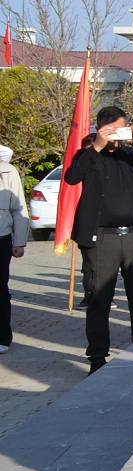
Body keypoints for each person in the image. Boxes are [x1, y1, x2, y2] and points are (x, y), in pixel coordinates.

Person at [64, 105, 133, 372]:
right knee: (99, 300)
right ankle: (98, 359)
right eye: (112, 130)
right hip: (101, 240)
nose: (116, 135)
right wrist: (97, 145)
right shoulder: (88, 156)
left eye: (121, 128)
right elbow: (71, 176)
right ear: (101, 129)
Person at [0, 144, 28, 355]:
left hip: (1, 238)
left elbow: (18, 209)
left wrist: (19, 241)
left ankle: (2, 337)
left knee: (0, 290)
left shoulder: (7, 171)